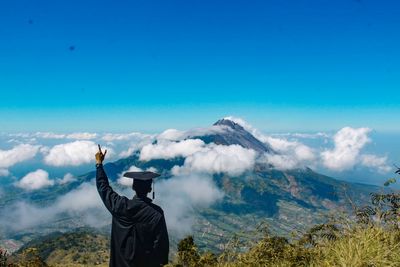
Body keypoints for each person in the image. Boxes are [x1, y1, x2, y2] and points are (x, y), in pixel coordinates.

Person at [95, 145, 169, 267]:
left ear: (133, 187)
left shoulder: (119, 206)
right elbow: (161, 245)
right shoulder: (156, 213)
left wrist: (99, 164)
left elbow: (103, 188)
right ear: (150, 189)